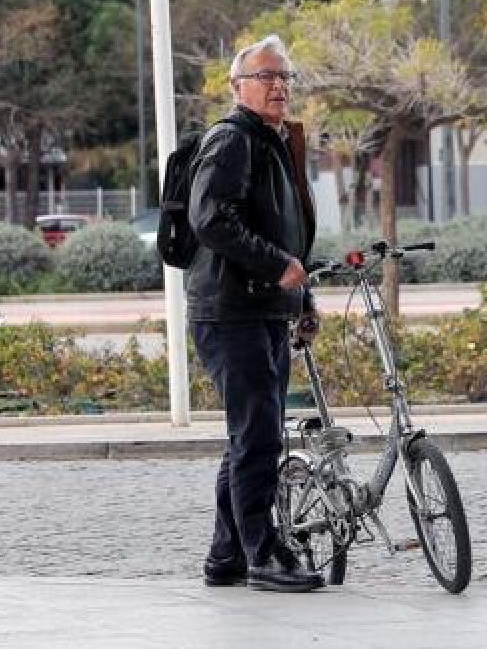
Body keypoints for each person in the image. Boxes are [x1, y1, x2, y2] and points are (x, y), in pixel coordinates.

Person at [187, 35, 324, 593]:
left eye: (285, 76)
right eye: (267, 76)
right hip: (230, 311)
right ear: (238, 86)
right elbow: (210, 219)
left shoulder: (272, 142)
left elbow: (287, 235)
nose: (279, 86)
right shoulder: (232, 140)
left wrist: (301, 298)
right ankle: (263, 554)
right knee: (260, 437)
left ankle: (227, 557)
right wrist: (275, 267)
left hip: (261, 307)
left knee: (250, 435)